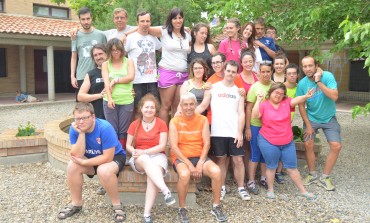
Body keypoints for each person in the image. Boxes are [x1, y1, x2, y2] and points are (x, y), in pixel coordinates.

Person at [57, 102, 126, 222]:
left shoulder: (105, 127)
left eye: (85, 118)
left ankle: (117, 205)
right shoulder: (75, 129)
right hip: (92, 159)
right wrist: (81, 134)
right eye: (78, 119)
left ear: (93, 117)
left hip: (114, 157)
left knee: (103, 170)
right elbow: (76, 155)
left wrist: (84, 163)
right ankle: (76, 203)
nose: (81, 122)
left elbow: (107, 158)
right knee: (72, 166)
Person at [251, 82, 316, 200]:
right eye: (276, 93)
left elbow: (297, 99)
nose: (278, 96)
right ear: (271, 92)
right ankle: (270, 190)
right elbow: (255, 115)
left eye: (281, 94)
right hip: (268, 140)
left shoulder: (287, 102)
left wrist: (306, 96)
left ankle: (303, 191)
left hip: (287, 141)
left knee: (292, 167)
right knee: (271, 166)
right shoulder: (264, 104)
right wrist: (258, 100)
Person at [169, 92, 227, 223]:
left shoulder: (202, 119)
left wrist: (200, 162)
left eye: (191, 104)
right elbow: (174, 147)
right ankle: (182, 208)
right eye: (185, 105)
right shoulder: (174, 121)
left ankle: (216, 206)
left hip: (199, 156)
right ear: (181, 106)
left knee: (217, 172)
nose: (188, 107)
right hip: (182, 158)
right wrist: (190, 165)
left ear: (195, 105)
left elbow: (207, 143)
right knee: (184, 174)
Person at [196, 61, 249, 201]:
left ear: (236, 73)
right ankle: (222, 187)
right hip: (217, 131)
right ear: (224, 71)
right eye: (228, 71)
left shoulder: (239, 92)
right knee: (221, 160)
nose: (230, 73)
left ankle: (241, 188)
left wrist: (240, 132)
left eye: (233, 71)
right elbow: (203, 106)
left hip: (234, 131)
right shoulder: (213, 88)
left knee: (238, 160)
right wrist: (185, 114)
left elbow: (241, 113)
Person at [126, 94, 175, 223]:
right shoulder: (134, 124)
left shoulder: (161, 124)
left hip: (158, 155)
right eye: (146, 107)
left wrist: (144, 151)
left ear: (156, 109)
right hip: (140, 158)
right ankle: (165, 190)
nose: (149, 110)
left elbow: (162, 146)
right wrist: (135, 151)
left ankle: (147, 214)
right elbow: (127, 145)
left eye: (152, 107)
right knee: (145, 160)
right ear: (141, 109)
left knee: (153, 177)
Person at [297, 56, 342, 191]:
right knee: (308, 143)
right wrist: (308, 125)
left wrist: (319, 82)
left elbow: (334, 96)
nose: (307, 69)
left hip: (329, 118)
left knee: (336, 146)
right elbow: (301, 105)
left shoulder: (327, 76)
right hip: (312, 118)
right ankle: (312, 174)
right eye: (304, 66)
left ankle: (325, 177)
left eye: (310, 65)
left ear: (316, 65)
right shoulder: (302, 84)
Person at [145, 8, 191, 125]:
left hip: (183, 74)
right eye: (175, 18)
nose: (178, 20)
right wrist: (126, 34)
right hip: (167, 72)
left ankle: (174, 134)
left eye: (180, 18)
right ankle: (163, 135)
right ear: (170, 20)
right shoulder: (164, 31)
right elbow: (144, 27)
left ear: (183, 19)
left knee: (177, 105)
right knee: (165, 106)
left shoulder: (187, 35)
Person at [125, 11, 162, 117]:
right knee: (137, 110)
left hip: (152, 80)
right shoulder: (131, 38)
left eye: (147, 21)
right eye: (142, 21)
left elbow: (163, 49)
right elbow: (122, 56)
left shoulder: (153, 37)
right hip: (136, 81)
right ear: (137, 22)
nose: (145, 23)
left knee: (154, 109)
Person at [245, 62, 273, 195]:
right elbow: (248, 108)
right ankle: (251, 180)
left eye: (268, 71)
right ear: (259, 72)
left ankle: (263, 177)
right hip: (256, 125)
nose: (266, 74)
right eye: (263, 71)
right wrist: (248, 128)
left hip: (270, 126)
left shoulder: (274, 86)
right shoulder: (254, 87)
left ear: (271, 72)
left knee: (265, 153)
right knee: (255, 152)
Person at [102, 38, 135, 149]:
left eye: (118, 49)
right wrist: (110, 99)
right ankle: (113, 152)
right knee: (112, 129)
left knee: (123, 130)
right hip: (110, 100)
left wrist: (115, 80)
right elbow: (106, 82)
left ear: (122, 50)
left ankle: (122, 152)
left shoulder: (128, 61)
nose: (116, 52)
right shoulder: (106, 64)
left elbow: (131, 77)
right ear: (109, 51)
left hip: (127, 99)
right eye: (112, 50)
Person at [71, 7, 107, 101]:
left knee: (99, 103)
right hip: (81, 75)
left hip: (99, 75)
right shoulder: (75, 36)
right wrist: (72, 76)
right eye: (83, 19)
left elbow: (107, 55)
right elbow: (74, 57)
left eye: (88, 18)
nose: (86, 22)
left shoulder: (101, 35)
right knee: (82, 106)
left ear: (92, 18)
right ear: (79, 20)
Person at [77, 43, 107, 119]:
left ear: (107, 54)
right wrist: (100, 95)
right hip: (98, 117)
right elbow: (80, 96)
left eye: (100, 54)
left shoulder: (116, 71)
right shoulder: (90, 74)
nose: (98, 57)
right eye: (95, 55)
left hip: (116, 115)